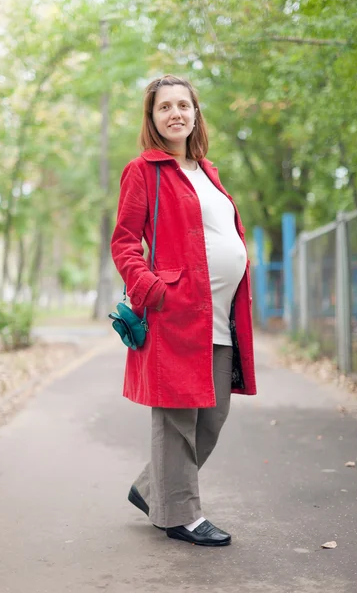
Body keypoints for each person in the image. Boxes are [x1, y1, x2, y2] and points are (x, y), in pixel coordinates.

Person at [110, 74, 256, 547]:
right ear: (152, 119)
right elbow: (125, 241)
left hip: (219, 314)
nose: (176, 113)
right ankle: (180, 516)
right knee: (176, 419)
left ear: (196, 113)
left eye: (184, 105)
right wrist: (151, 289)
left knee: (212, 417)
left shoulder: (207, 171)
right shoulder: (144, 170)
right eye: (164, 107)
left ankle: (151, 490)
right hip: (175, 314)